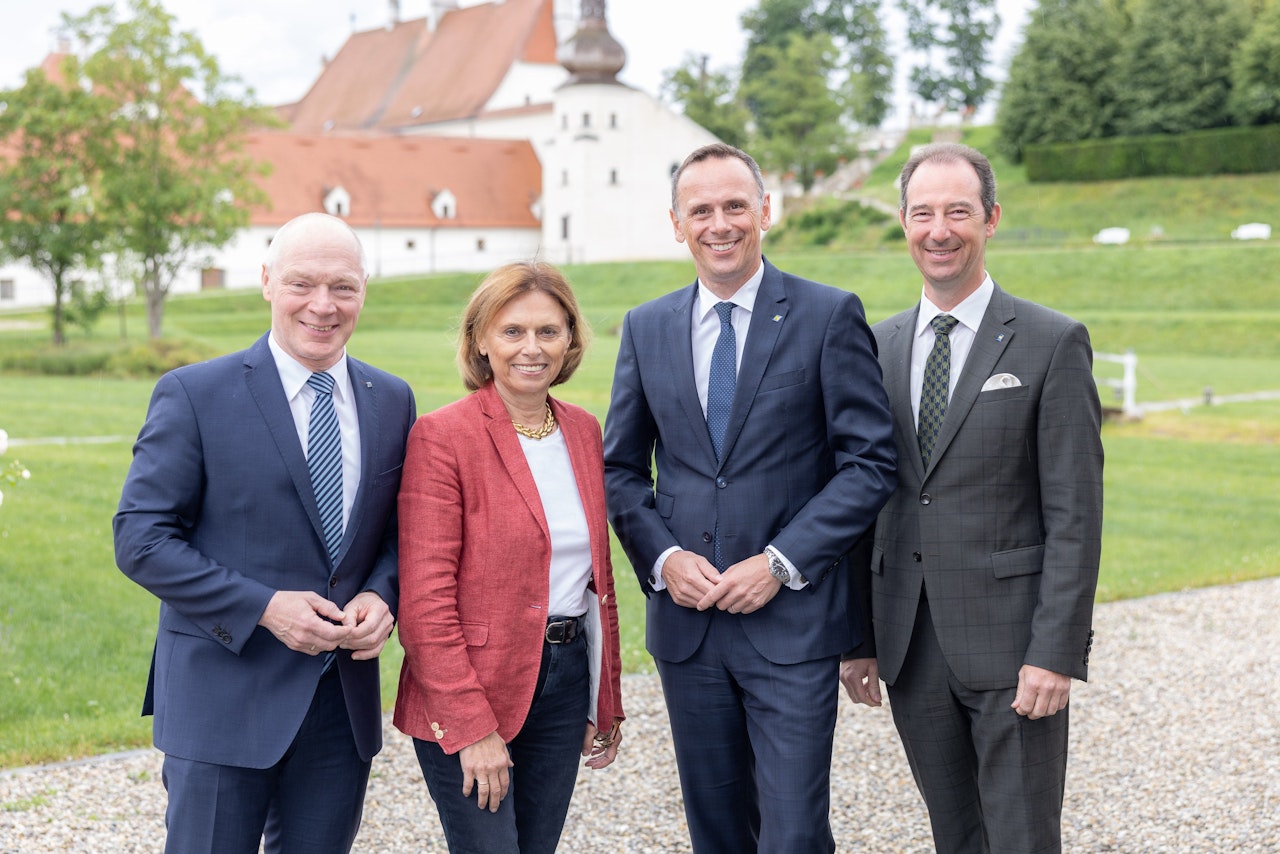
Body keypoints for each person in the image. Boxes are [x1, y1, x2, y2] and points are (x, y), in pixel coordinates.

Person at [603, 143, 897, 853]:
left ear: (765, 211)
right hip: (688, 628)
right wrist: (664, 557)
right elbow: (620, 470)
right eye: (700, 210)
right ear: (677, 224)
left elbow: (869, 464)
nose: (720, 223)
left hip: (792, 624)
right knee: (718, 832)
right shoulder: (647, 327)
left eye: (736, 205)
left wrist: (780, 562)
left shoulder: (827, 316)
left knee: (793, 834)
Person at [113, 212, 417, 853]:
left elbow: (399, 531)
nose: (322, 306)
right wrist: (265, 608)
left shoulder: (391, 398)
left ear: (365, 289)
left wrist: (383, 595)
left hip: (340, 707)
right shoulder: (193, 393)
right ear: (266, 282)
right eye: (302, 283)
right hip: (222, 697)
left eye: (343, 287)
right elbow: (140, 539)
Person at [840, 142, 1104, 853]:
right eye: (923, 213)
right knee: (955, 838)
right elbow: (868, 499)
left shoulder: (1052, 343)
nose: (940, 229)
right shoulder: (877, 346)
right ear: (903, 223)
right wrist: (858, 637)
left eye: (958, 211)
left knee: (1020, 839)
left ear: (990, 219)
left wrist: (1056, 652)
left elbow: (1076, 515)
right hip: (911, 647)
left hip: (1017, 648)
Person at [394, 260, 625, 853]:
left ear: (571, 338)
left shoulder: (583, 431)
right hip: (472, 685)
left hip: (564, 678)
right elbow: (424, 603)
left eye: (548, 331)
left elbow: (594, 580)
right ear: (480, 340)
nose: (532, 348)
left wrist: (605, 696)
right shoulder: (443, 436)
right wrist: (472, 729)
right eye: (512, 331)